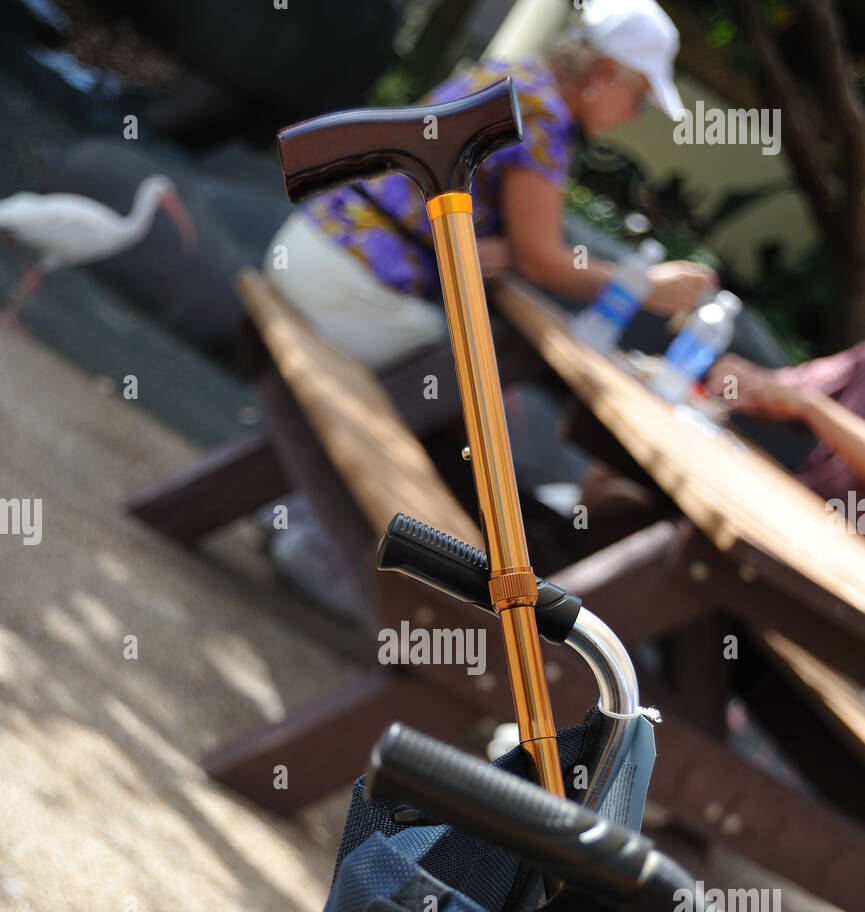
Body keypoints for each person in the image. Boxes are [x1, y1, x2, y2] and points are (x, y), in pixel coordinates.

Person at [265, 0, 718, 373]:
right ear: (602, 76)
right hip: (356, 291)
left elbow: (493, 226)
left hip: (312, 244)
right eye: (639, 100)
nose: (631, 117)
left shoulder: (508, 78)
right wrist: (642, 285)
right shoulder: (542, 119)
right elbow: (542, 263)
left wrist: (502, 246)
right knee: (473, 403)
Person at [706, 344, 865, 525]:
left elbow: (806, 400)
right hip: (790, 513)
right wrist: (747, 381)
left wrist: (811, 406)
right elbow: (799, 387)